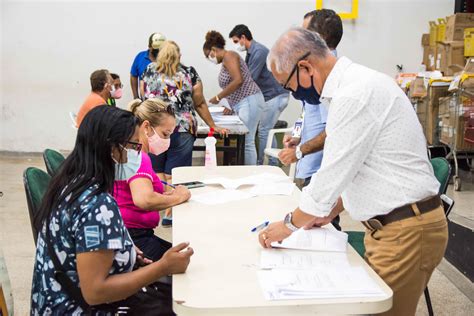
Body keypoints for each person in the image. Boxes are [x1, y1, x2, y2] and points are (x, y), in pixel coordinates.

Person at [258, 27, 448, 316]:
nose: (294, 94)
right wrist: (331, 211)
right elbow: (362, 166)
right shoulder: (352, 87)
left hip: (405, 230)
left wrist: (288, 225)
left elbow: (332, 174)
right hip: (392, 227)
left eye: (289, 86)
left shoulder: (355, 93)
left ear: (305, 67)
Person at [31, 105, 193, 314]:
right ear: (112, 148)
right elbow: (96, 292)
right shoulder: (96, 205)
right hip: (78, 309)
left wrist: (124, 250)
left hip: (52, 303)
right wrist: (162, 267)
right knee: (178, 303)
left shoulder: (71, 181)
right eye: (134, 147)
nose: (137, 154)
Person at [141, 40, 227, 226]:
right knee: (177, 171)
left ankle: (162, 209)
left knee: (157, 170)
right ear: (179, 55)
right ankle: (172, 212)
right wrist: (212, 126)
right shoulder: (189, 73)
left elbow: (143, 96)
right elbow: (200, 103)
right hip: (182, 128)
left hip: (154, 127)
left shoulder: (148, 71)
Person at [280, 9, 343, 230]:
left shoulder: (332, 77)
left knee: (324, 229)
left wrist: (300, 151)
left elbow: (334, 130)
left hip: (322, 167)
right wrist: (296, 135)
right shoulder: (312, 71)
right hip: (310, 164)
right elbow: (305, 111)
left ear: (319, 39)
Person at [113, 98, 191, 261]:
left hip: (131, 233)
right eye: (165, 134)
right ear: (147, 127)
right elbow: (144, 199)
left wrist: (169, 196)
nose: (167, 141)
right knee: (186, 261)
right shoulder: (138, 157)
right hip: (134, 237)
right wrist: (179, 197)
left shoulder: (132, 153)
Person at [203, 30, 267, 165]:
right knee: (244, 141)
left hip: (249, 100)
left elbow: (238, 80)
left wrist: (218, 97)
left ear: (214, 50)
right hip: (243, 102)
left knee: (247, 141)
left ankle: (250, 174)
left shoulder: (229, 56)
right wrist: (229, 105)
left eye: (209, 55)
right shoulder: (226, 60)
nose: (210, 58)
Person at [228, 24, 289, 164]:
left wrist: (230, 100)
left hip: (275, 95)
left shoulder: (259, 52)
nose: (236, 45)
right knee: (265, 129)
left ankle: (269, 164)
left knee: (264, 130)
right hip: (270, 96)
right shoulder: (251, 52)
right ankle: (268, 163)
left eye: (236, 41)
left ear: (244, 37)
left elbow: (248, 80)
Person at [130, 32, 166, 99]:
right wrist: (135, 96)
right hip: (146, 101)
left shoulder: (167, 58)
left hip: (164, 100)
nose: (158, 50)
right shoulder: (140, 57)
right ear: (149, 46)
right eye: (155, 48)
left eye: (160, 48)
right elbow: (133, 76)